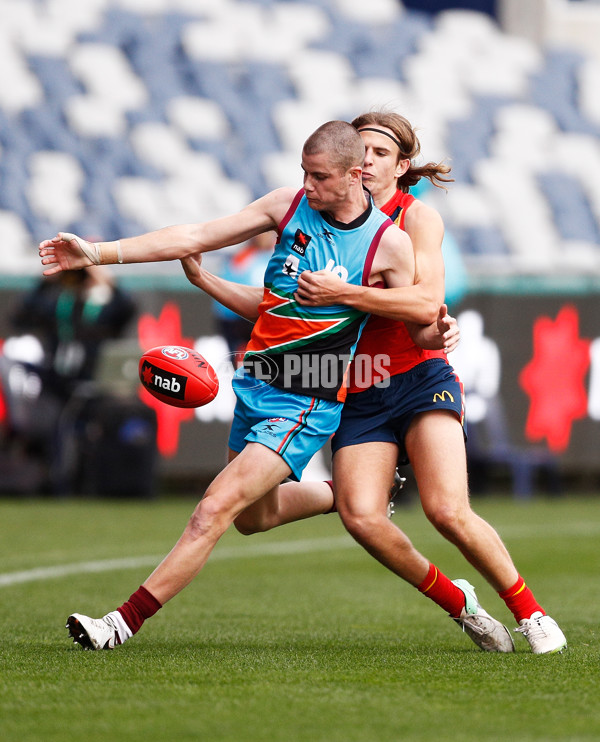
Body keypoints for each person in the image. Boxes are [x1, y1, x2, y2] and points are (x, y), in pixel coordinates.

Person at [181, 111, 567, 655]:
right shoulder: (315, 214)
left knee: (446, 510)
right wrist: (208, 279)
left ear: (401, 166)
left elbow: (425, 306)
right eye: (359, 149)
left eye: (380, 153)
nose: (366, 158)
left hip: (416, 376)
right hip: (355, 387)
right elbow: (277, 307)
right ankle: (460, 604)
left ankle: (531, 614)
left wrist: (406, 316)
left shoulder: (415, 220)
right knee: (361, 517)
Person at [39, 120, 423, 651]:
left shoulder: (389, 243)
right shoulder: (287, 205)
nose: (307, 186)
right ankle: (348, 495)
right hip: (256, 388)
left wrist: (435, 326)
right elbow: (193, 236)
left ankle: (119, 623)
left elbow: (419, 315)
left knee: (213, 509)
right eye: (303, 174)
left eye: (318, 177)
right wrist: (98, 252)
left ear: (356, 175)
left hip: (307, 402)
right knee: (252, 518)